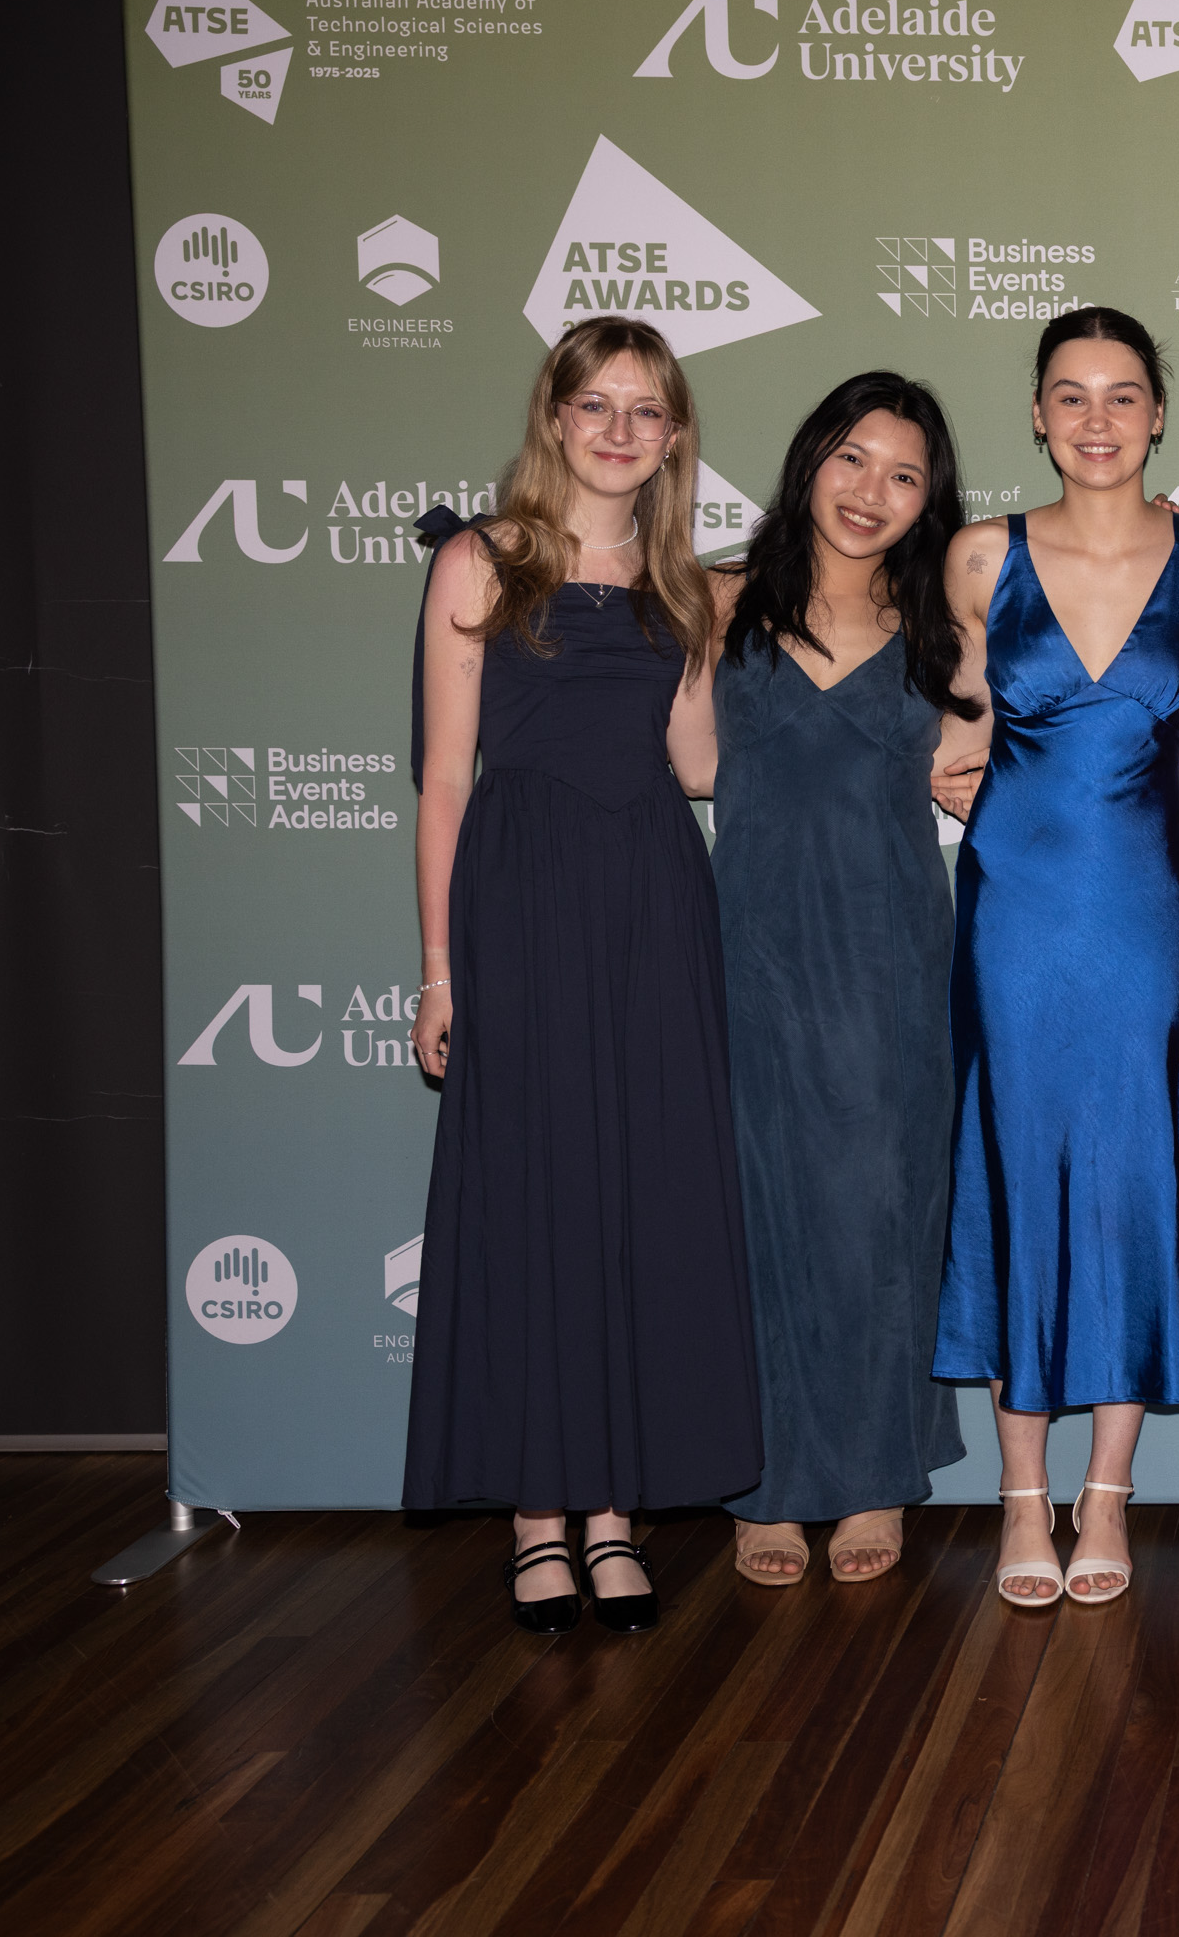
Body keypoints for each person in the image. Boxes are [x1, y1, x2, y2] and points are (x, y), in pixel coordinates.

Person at [402, 315, 756, 1635]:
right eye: (596, 404)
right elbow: (443, 780)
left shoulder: (682, 583)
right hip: (527, 888)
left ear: (673, 437)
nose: (619, 430)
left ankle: (615, 1517)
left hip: (657, 896)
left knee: (636, 1192)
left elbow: (703, 763)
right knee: (541, 1190)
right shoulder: (480, 560)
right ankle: (537, 1523)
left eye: (646, 411)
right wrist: (439, 971)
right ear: (553, 415)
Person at [931, 309, 1179, 1609]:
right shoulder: (978, 553)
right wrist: (958, 775)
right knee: (1012, 1170)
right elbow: (962, 720)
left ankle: (1102, 1492)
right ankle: (1019, 1502)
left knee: (1128, 1175)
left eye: (1122, 397)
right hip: (1013, 902)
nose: (1098, 420)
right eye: (1071, 397)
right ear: (1039, 416)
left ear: (1157, 414)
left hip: (1140, 907)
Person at [667, 373, 971, 1590]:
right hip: (749, 945)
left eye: (904, 476)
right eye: (854, 460)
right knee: (756, 1211)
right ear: (810, 463)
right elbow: (692, 764)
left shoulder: (942, 623)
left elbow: (978, 755)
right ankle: (765, 1480)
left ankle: (870, 1472)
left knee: (879, 1211)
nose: (872, 493)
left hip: (894, 950)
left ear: (926, 501)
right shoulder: (721, 599)